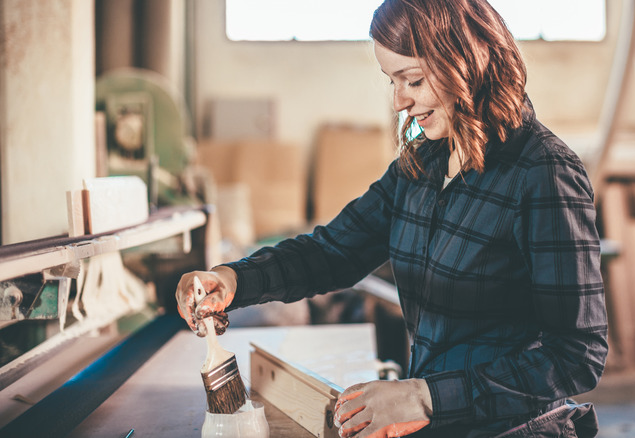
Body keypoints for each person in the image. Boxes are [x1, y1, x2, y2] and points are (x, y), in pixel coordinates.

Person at [176, 0, 608, 436]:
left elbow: (577, 356)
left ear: (467, 63)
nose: (400, 101)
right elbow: (333, 251)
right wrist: (234, 279)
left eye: (413, 80)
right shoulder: (423, 165)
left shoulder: (544, 172)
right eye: (393, 81)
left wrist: (425, 396)